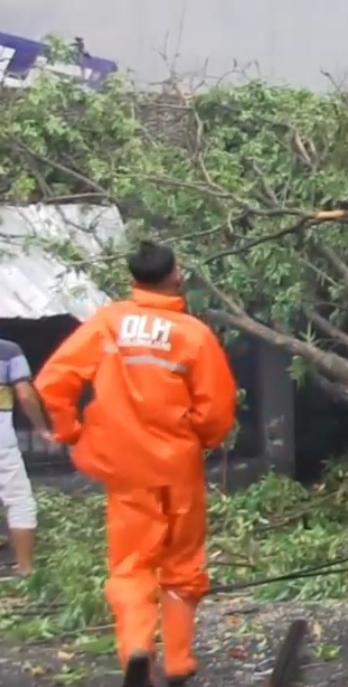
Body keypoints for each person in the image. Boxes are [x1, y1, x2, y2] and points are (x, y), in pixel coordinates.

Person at [35, 240, 237, 685]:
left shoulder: (107, 323)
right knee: (181, 561)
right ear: (175, 275)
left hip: (125, 467)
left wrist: (69, 430)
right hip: (177, 466)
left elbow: (53, 381)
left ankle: (137, 649)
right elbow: (217, 408)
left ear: (133, 277)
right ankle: (179, 662)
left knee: (131, 565)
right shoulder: (192, 334)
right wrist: (203, 439)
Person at [0, 338, 48, 577]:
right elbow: (25, 395)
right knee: (19, 501)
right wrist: (40, 427)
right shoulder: (8, 351)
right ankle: (25, 570)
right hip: (2, 444)